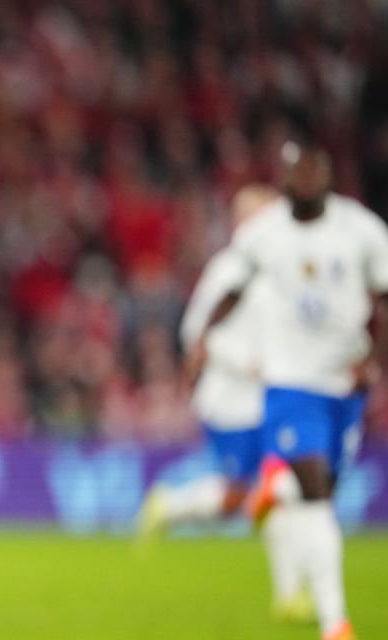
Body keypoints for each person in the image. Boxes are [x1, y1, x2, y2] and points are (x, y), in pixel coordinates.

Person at [193, 142, 388, 640]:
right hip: (290, 382)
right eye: (295, 171)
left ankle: (274, 489)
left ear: (328, 173)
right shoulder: (263, 233)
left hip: (345, 381)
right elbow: (231, 289)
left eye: (312, 170)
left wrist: (374, 361)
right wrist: (204, 339)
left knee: (317, 491)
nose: (304, 179)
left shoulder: (363, 230)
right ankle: (335, 623)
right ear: (283, 176)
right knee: (318, 493)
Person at [138, 183, 315, 620]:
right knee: (244, 496)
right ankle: (171, 506)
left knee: (274, 487)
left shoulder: (280, 270)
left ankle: (289, 594)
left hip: (270, 399)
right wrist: (248, 364)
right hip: (229, 401)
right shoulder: (227, 271)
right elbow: (196, 335)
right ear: (244, 223)